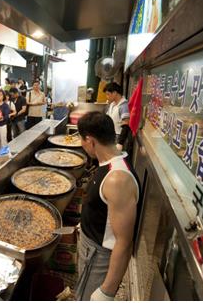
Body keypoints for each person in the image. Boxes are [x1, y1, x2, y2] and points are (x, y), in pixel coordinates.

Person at [75, 112, 140, 301]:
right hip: (91, 249)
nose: (81, 144)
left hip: (99, 257)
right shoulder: (108, 162)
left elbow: (124, 241)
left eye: (81, 140)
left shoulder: (117, 179)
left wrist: (107, 291)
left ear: (90, 140)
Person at [103, 83, 132, 153]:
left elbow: (126, 125)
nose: (107, 97)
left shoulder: (123, 106)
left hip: (119, 138)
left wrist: (120, 143)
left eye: (108, 94)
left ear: (115, 93)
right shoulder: (113, 104)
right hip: (111, 136)